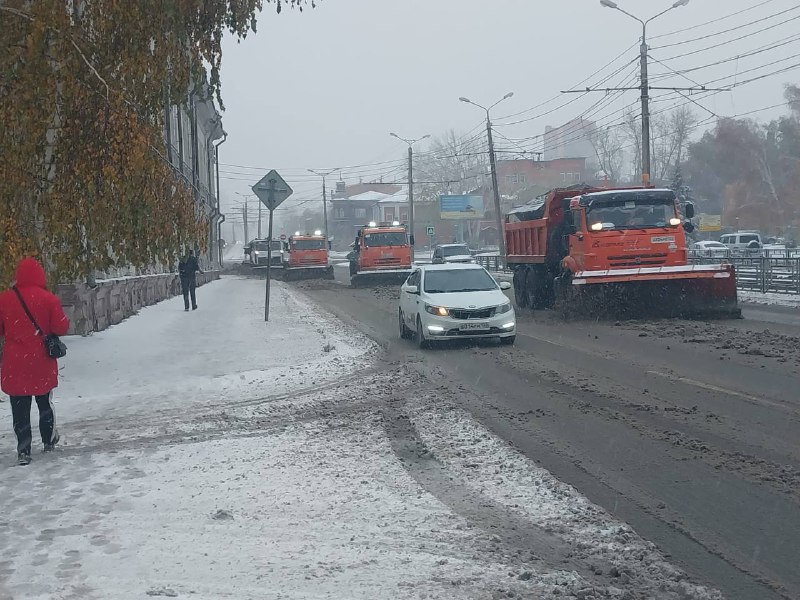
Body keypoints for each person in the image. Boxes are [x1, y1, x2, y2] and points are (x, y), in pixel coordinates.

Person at [0, 258, 70, 465]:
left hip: (15, 362)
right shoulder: (49, 299)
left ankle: (24, 450)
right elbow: (60, 328)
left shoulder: (4, 299)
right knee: (44, 403)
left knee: (19, 408)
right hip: (41, 360)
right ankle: (48, 440)